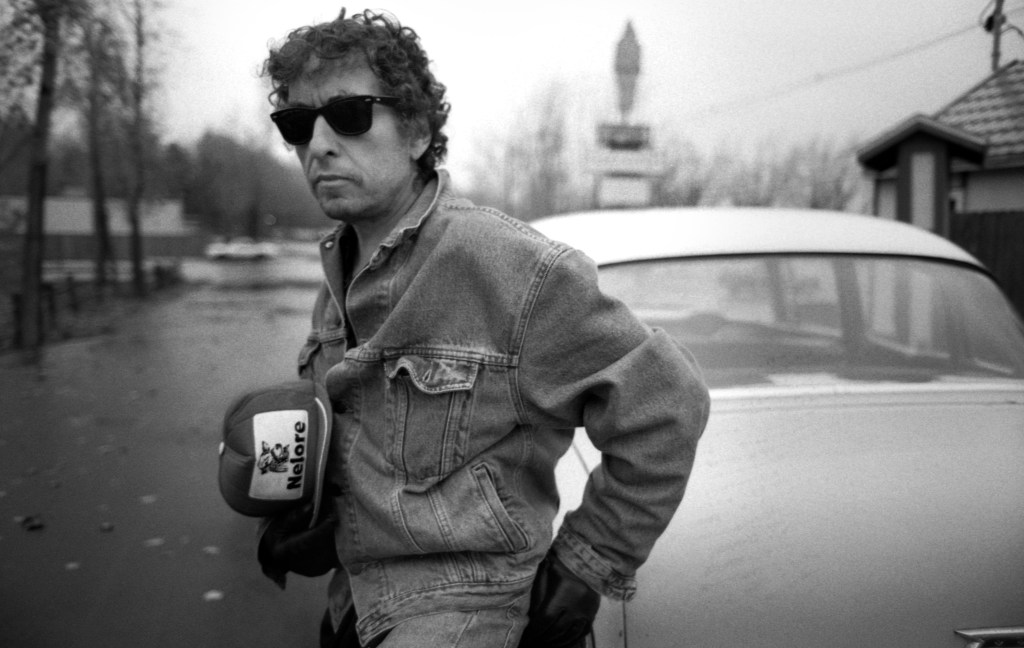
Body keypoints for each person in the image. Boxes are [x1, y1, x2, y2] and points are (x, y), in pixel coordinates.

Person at [255, 8, 710, 648]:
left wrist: (588, 563)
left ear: (416, 132)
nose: (320, 144)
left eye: (350, 114)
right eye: (298, 124)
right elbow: (376, 453)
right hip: (352, 609)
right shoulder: (335, 281)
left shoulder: (511, 269)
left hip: (466, 617)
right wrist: (315, 518)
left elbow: (667, 405)